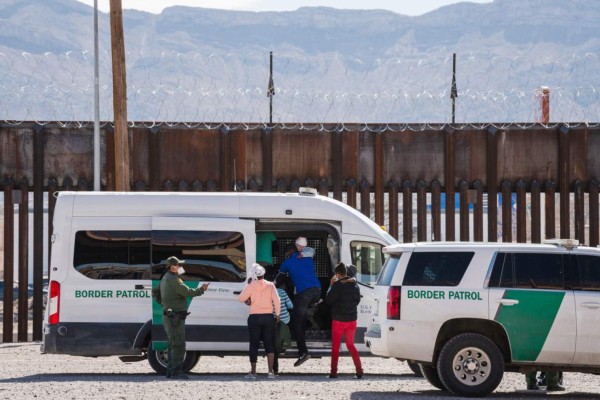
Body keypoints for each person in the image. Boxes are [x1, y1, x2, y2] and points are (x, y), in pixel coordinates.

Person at [151, 256, 209, 380]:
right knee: (178, 345)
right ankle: (176, 372)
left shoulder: (165, 277)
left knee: (173, 344)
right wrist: (201, 289)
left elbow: (155, 292)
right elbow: (188, 292)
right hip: (174, 317)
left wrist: (164, 304)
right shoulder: (174, 279)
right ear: (172, 267)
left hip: (170, 315)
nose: (180, 267)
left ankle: (171, 372)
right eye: (178, 265)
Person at [280, 237, 321, 367]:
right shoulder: (308, 255)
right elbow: (312, 250)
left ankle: (303, 352)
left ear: (288, 253)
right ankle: (307, 315)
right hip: (317, 291)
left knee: (297, 322)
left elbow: (279, 279)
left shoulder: (287, 262)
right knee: (301, 314)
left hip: (304, 294)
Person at [239, 263, 281, 379]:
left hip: (254, 318)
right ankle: (270, 372)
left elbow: (241, 298)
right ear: (263, 274)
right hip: (268, 317)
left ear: (253, 275)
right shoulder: (271, 285)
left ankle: (253, 372)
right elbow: (277, 301)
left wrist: (247, 286)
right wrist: (277, 314)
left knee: (254, 344)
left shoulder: (250, 286)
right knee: (269, 344)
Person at [324, 262, 363, 379]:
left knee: (335, 347)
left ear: (337, 274)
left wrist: (331, 285)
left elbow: (328, 300)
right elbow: (357, 301)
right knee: (351, 345)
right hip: (351, 320)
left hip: (338, 321)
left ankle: (333, 372)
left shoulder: (337, 286)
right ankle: (359, 370)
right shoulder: (355, 286)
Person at [273, 272, 294, 374]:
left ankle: (274, 369)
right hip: (284, 320)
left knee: (273, 343)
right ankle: (285, 343)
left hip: (272, 320)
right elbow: (291, 306)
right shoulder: (282, 292)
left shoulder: (269, 292)